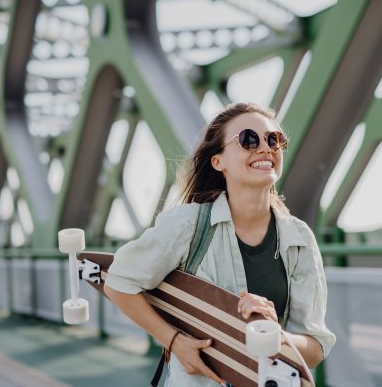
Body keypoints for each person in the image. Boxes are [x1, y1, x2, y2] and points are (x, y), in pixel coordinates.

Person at [104, 102, 335, 387]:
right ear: (218, 161)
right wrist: (174, 341)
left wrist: (276, 337)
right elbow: (118, 282)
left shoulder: (299, 239)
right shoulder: (187, 225)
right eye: (249, 139)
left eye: (273, 139)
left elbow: (314, 349)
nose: (265, 148)